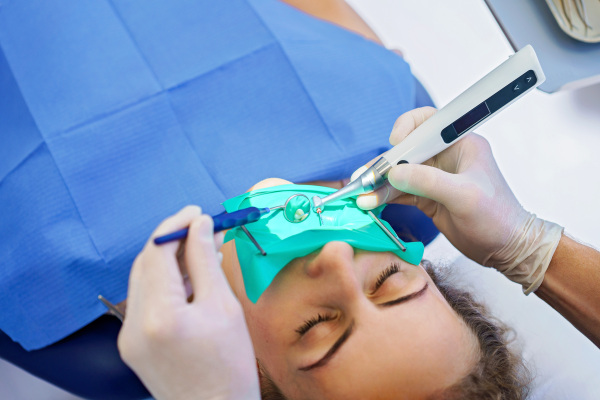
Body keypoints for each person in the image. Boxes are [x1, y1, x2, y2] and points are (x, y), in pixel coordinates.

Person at [118, 106, 600, 399]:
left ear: (255, 375)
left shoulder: (78, 282)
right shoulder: (380, 122)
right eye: (389, 279)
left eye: (315, 328)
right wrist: (529, 245)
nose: (334, 256)